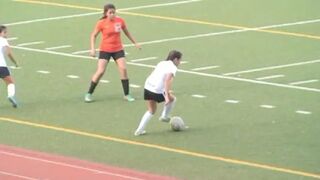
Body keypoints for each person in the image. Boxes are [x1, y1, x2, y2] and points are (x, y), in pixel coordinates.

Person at [85, 3, 140, 102]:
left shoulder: (120, 21)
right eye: (110, 12)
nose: (112, 14)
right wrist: (92, 49)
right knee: (100, 71)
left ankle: (127, 94)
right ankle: (89, 93)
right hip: (105, 50)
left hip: (118, 49)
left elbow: (127, 32)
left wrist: (135, 43)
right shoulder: (101, 23)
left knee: (123, 69)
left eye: (114, 12)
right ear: (106, 13)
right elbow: (93, 35)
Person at [134, 50, 182, 136]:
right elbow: (167, 80)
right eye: (179, 60)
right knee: (173, 99)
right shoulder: (173, 68)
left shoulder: (162, 63)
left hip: (148, 87)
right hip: (157, 90)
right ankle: (165, 116)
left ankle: (139, 130)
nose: (180, 62)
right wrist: (166, 96)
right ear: (175, 59)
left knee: (151, 111)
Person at [0, 25, 18, 108]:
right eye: (5, 32)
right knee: (10, 82)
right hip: (1, 66)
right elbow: (9, 53)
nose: (6, 34)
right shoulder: (3, 40)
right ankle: (11, 95)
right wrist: (15, 62)